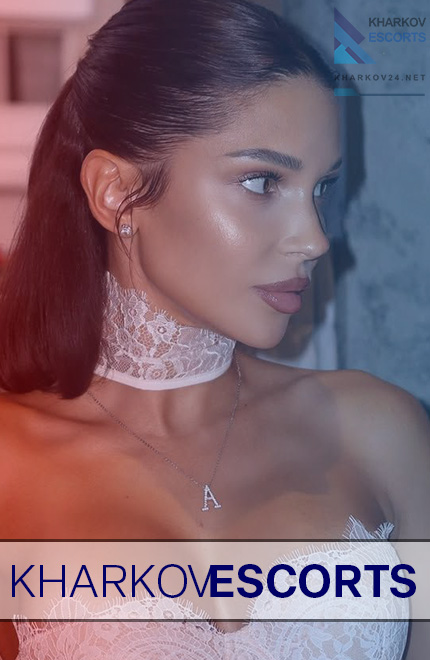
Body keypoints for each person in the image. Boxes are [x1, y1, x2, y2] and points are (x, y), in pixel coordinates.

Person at [0, 0, 429, 657]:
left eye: (321, 189)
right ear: (115, 192)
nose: (314, 239)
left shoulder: (381, 430)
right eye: (262, 182)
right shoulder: (11, 460)